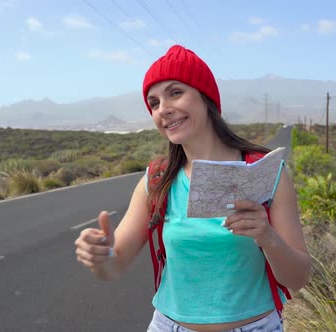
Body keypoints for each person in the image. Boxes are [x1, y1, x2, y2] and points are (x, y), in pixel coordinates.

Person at [75, 45, 312, 332]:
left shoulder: (267, 173)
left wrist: (268, 237)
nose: (164, 109)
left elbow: (298, 279)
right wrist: (100, 258)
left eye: (175, 92)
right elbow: (115, 265)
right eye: (154, 103)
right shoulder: (156, 180)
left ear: (206, 97)